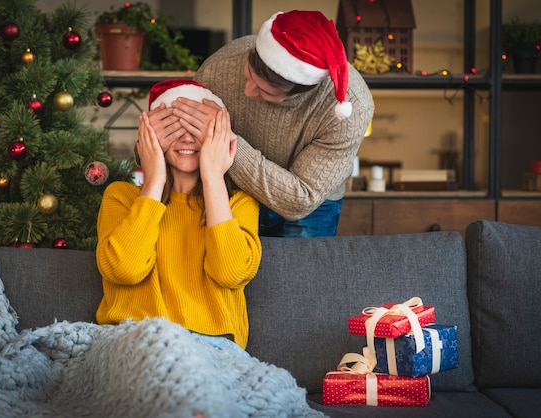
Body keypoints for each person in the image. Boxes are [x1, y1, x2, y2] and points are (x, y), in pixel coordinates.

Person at [169, 9, 375, 237]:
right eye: (248, 75)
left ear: (301, 92)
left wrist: (225, 140)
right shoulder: (221, 67)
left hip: (310, 205)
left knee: (299, 272)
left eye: (263, 91)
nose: (247, 91)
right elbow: (180, 135)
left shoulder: (350, 107)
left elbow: (300, 200)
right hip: (234, 191)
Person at [95, 79, 262, 352]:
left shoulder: (239, 203)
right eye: (175, 128)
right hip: (134, 343)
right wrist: (155, 179)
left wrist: (212, 177)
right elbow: (125, 270)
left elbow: (230, 273)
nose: (186, 138)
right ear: (152, 137)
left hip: (215, 349)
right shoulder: (121, 197)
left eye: (196, 128)